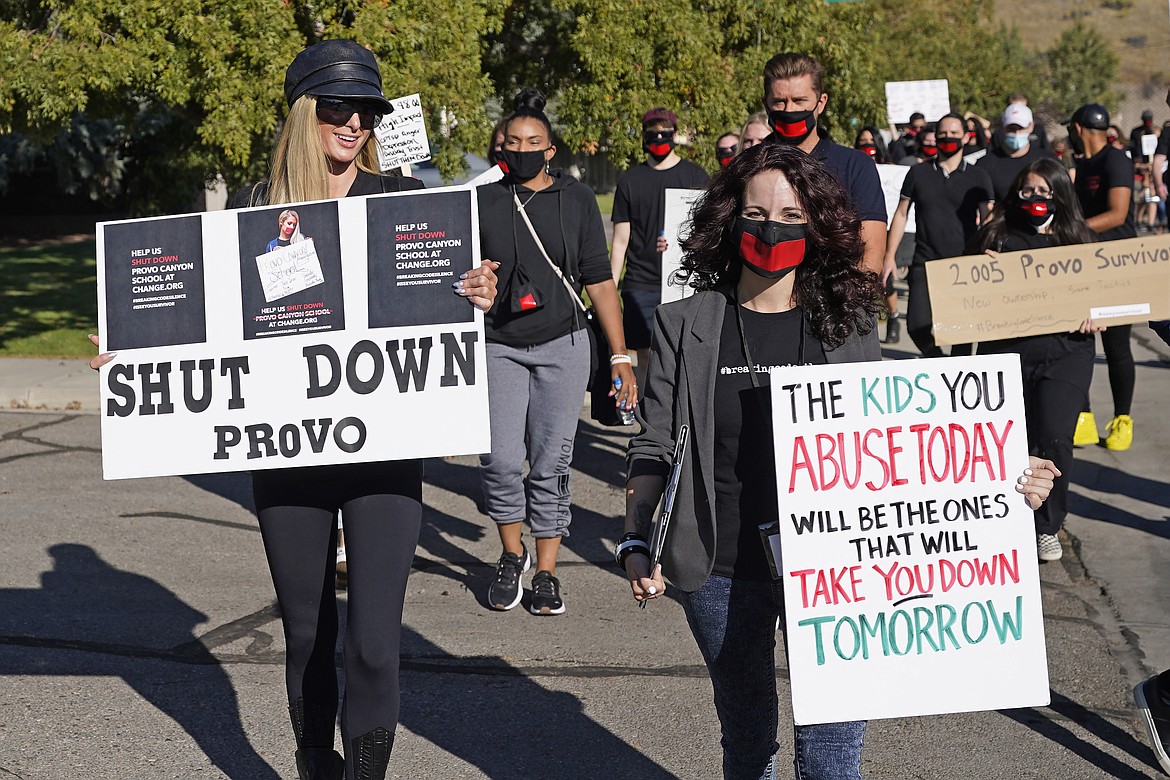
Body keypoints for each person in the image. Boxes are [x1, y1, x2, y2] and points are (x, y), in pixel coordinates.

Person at [95, 39, 499, 780]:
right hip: (288, 460)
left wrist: (476, 293)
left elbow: (452, 310)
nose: (356, 125)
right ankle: (317, 764)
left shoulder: (404, 201)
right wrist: (132, 353)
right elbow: (201, 321)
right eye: (340, 107)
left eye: (368, 111)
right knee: (309, 632)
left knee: (374, 642)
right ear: (305, 111)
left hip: (382, 456)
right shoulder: (252, 208)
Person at [617, 142, 1059, 779]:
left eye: (792, 216)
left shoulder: (848, 326)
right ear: (727, 219)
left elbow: (897, 445)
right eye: (757, 212)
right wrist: (636, 536)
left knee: (831, 753)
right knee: (747, 742)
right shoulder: (684, 323)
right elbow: (655, 444)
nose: (773, 228)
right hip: (721, 565)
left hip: (838, 573)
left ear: (816, 225)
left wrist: (1003, 477)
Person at [479, 89, 636, 615]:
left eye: (534, 142)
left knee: (551, 463)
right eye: (513, 141)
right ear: (500, 145)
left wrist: (620, 355)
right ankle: (510, 553)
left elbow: (600, 281)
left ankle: (546, 569)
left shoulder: (578, 200)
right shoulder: (481, 202)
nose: (522, 149)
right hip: (497, 345)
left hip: (563, 345)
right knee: (500, 461)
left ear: (550, 150)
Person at [970, 158, 1099, 562]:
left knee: (1056, 437)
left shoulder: (1080, 238)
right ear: (1016, 194)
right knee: (1013, 441)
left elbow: (1107, 290)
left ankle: (1047, 525)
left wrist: (1099, 310)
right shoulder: (996, 236)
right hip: (1009, 354)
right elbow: (964, 296)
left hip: (1067, 352)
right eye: (1028, 191)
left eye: (1045, 192)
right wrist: (980, 273)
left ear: (1060, 194)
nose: (1036, 199)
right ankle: (1010, 519)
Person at [761, 52, 887, 275]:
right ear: (766, 104)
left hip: (833, 303)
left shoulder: (856, 165)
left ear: (821, 103)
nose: (789, 110)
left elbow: (871, 253)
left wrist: (853, 306)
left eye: (799, 101)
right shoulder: (750, 165)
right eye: (779, 101)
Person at [610, 106, 709, 383]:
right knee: (646, 360)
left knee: (683, 355)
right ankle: (648, 421)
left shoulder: (695, 177)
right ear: (643, 137)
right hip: (640, 284)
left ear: (675, 136)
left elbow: (707, 229)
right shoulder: (630, 181)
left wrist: (682, 244)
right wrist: (609, 289)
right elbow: (620, 241)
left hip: (683, 280)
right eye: (652, 135)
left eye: (665, 134)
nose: (658, 140)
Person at [883, 112, 994, 357]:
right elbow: (901, 214)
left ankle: (957, 378)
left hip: (964, 265)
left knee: (962, 335)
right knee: (917, 326)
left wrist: (989, 246)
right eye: (942, 133)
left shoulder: (978, 176)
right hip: (925, 262)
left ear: (966, 137)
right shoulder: (918, 173)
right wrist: (889, 256)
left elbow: (988, 218)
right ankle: (939, 362)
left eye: (954, 133)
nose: (947, 137)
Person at [1063, 103, 1138, 451]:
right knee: (1079, 343)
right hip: (1086, 265)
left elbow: (1118, 214)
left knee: (1116, 346)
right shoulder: (1082, 164)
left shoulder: (1115, 160)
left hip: (1118, 267)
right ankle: (1084, 417)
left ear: (1078, 128)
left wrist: (1071, 232)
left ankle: (1122, 420)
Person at [978, 102, 1057, 202]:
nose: (1016, 133)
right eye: (1011, 129)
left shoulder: (1049, 161)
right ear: (1003, 127)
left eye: (1021, 128)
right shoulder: (984, 165)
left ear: (1031, 127)